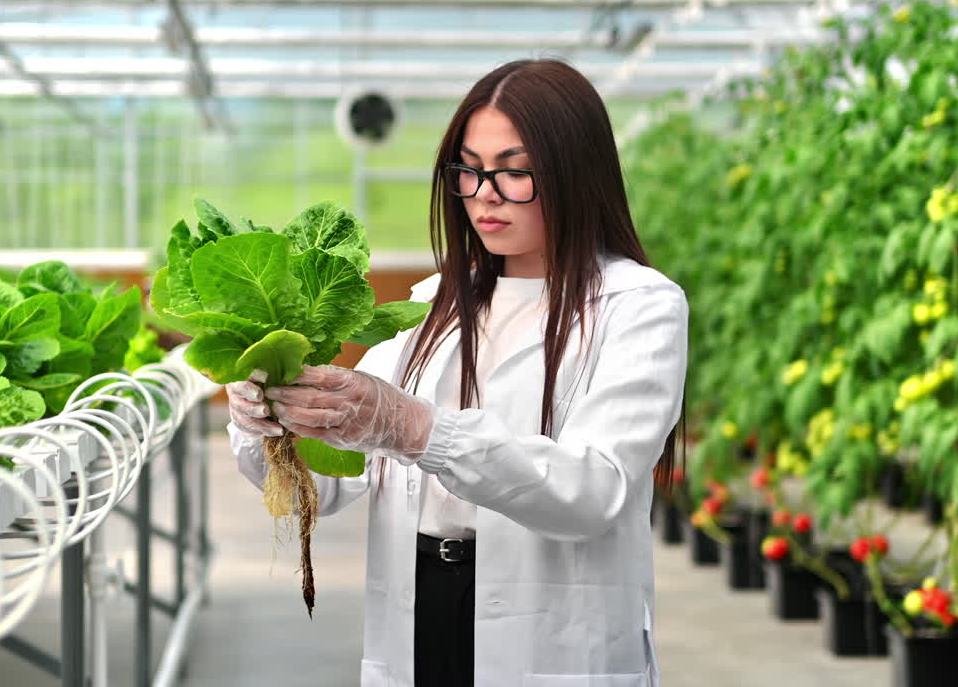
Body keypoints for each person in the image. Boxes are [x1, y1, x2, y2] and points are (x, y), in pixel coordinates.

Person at [226, 59, 688, 687]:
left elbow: (592, 491)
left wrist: (415, 428)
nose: (485, 193)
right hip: (421, 612)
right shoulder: (435, 300)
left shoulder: (638, 306)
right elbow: (330, 486)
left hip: (550, 637)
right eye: (468, 170)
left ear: (578, 174)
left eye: (515, 171)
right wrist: (268, 426)